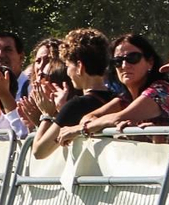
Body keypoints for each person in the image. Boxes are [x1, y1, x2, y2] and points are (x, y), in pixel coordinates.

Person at [34, 28, 117, 159]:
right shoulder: (119, 99)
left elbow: (39, 151)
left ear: (79, 67)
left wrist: (47, 115)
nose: (67, 72)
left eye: (68, 66)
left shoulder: (76, 106)